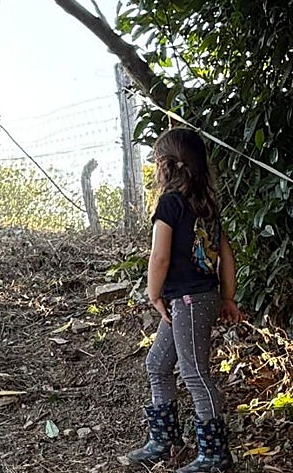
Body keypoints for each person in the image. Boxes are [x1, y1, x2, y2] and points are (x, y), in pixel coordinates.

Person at [125, 127, 243, 472]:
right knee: (158, 364)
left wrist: (153, 293)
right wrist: (228, 296)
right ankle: (165, 440)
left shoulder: (170, 204)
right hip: (195, 299)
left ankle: (215, 454)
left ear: (164, 166)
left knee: (194, 373)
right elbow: (226, 253)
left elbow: (159, 257)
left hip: (188, 300)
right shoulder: (205, 205)